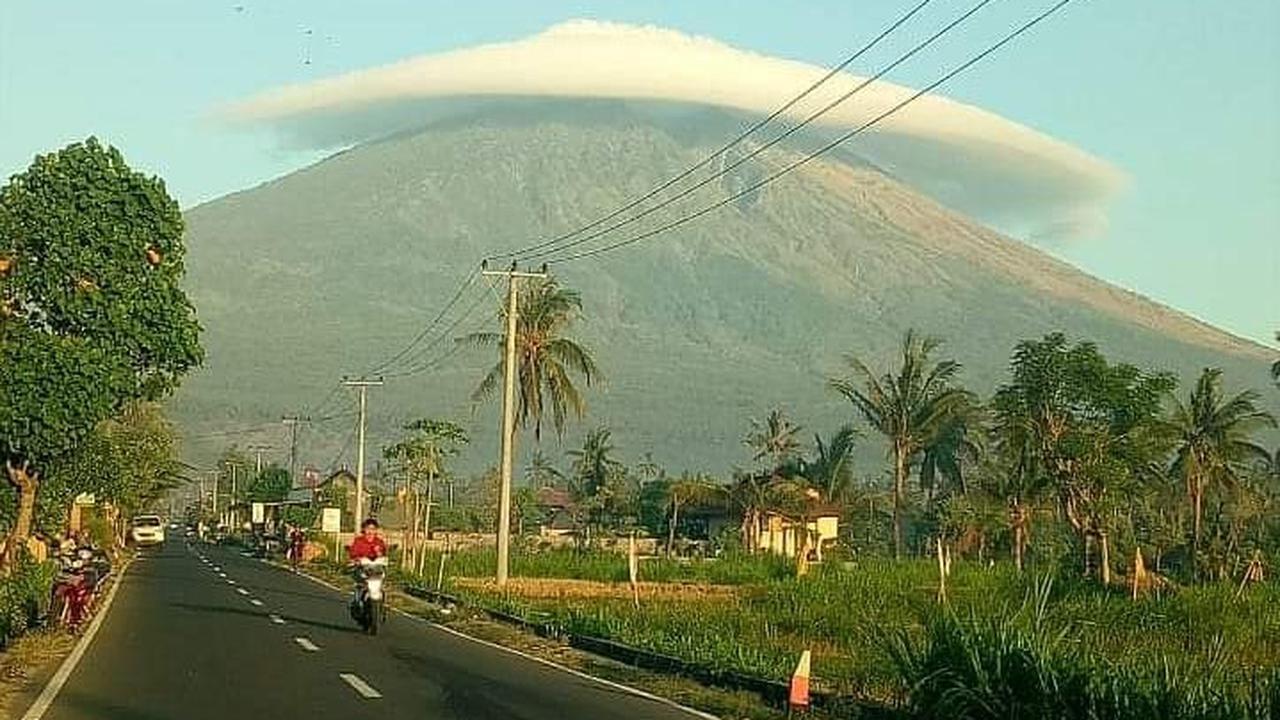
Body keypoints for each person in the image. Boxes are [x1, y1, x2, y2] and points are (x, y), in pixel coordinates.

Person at [347, 518, 387, 605]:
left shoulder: (379, 542)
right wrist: (356, 560)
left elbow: (384, 556)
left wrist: (379, 553)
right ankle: (358, 600)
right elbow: (353, 554)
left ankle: (381, 605)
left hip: (376, 571)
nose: (370, 532)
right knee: (359, 581)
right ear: (364, 530)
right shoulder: (359, 541)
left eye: (373, 529)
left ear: (376, 530)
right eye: (368, 529)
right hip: (362, 570)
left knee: (381, 584)